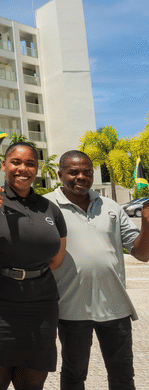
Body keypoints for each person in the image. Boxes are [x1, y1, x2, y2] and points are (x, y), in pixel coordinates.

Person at [0, 142, 67, 390]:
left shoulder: (49, 208)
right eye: (16, 162)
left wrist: (26, 273)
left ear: (37, 169)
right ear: (4, 165)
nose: (23, 169)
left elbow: (56, 259)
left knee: (32, 380)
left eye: (30, 164)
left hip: (39, 303)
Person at [45, 150, 149, 390]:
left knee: (123, 376)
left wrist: (146, 222)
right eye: (73, 172)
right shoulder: (46, 205)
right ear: (60, 174)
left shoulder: (111, 206)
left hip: (115, 306)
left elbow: (142, 254)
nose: (81, 176)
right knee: (73, 374)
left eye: (87, 172)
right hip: (71, 308)